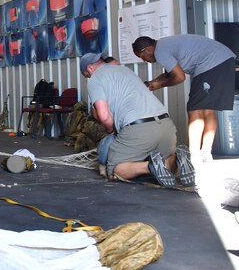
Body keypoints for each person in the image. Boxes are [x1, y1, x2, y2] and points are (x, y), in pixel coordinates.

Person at [81, 52, 193, 186]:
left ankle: (150, 166)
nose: (89, 78)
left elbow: (104, 115)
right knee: (164, 161)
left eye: (87, 75)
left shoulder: (95, 78)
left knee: (115, 169)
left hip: (139, 129)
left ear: (89, 68)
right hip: (166, 125)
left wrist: (111, 131)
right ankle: (176, 161)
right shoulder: (125, 70)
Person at [132, 34, 236, 164]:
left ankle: (194, 155)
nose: (144, 60)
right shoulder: (164, 45)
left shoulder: (160, 52)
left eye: (142, 57)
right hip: (224, 59)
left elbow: (179, 77)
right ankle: (205, 153)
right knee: (207, 110)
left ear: (148, 49)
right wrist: (152, 83)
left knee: (195, 109)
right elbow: (170, 74)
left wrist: (159, 84)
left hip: (212, 63)